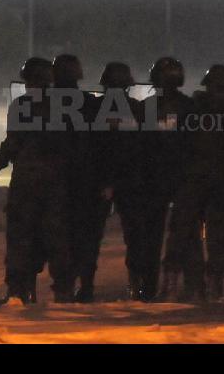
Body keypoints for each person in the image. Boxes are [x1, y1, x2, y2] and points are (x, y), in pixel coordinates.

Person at [0, 57, 74, 305]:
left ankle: (17, 291)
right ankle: (64, 291)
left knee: (20, 238)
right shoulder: (66, 106)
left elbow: (13, 142)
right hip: (56, 181)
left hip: (26, 181)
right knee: (57, 239)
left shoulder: (21, 106)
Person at [163, 64, 224, 301]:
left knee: (183, 231)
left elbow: (175, 143)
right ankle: (212, 285)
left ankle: (178, 284)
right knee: (217, 235)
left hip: (194, 178)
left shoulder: (191, 108)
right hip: (220, 179)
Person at [138, 57, 198, 302]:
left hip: (156, 177)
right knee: (185, 232)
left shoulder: (146, 107)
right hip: (181, 175)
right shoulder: (190, 106)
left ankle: (151, 286)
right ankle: (189, 284)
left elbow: (138, 145)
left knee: (151, 234)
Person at [92, 62, 151, 300]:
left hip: (100, 178)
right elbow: (145, 146)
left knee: (90, 235)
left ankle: (85, 284)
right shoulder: (137, 109)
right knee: (136, 235)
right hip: (130, 178)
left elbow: (87, 147)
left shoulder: (93, 109)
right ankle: (136, 282)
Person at [51, 54, 103, 303]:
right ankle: (85, 285)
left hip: (62, 179)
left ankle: (65, 286)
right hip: (85, 179)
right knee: (86, 236)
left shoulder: (43, 103)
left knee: (60, 236)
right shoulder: (90, 103)